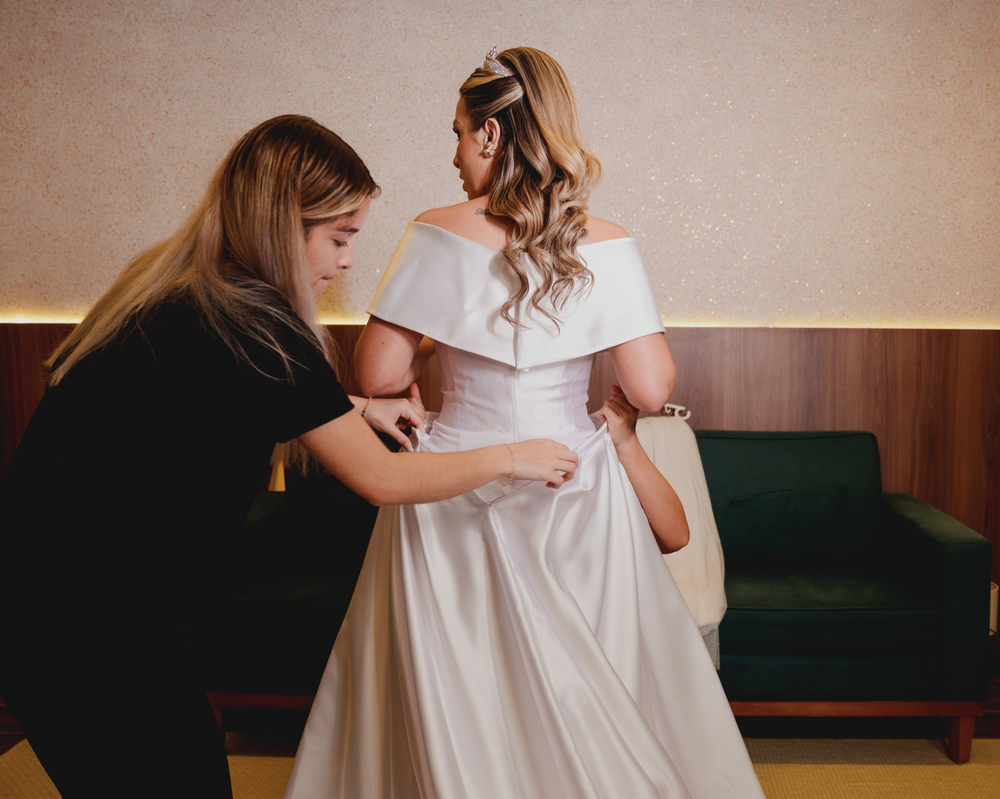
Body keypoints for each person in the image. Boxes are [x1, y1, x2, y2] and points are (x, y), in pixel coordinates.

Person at [0, 114, 577, 799]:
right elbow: (381, 478)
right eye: (339, 237)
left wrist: (359, 407)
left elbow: (223, 392)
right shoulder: (261, 324)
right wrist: (511, 456)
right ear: (285, 227)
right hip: (82, 619)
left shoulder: (185, 288)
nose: (348, 261)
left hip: (36, 594)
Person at [284, 48, 765, 798]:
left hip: (448, 480)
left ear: (490, 134)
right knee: (592, 681)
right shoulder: (607, 241)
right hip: (573, 478)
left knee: (458, 683)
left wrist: (443, 337)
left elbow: (377, 378)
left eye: (458, 133)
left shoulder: (433, 232)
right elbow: (648, 387)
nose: (454, 155)